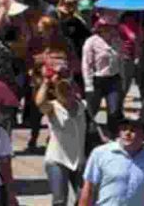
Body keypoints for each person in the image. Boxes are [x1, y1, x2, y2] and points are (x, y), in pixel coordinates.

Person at [79, 117, 144, 206]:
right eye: (124, 129)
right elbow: (88, 188)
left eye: (133, 130)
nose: (127, 133)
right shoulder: (100, 153)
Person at [36, 65, 89, 206]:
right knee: (59, 201)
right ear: (56, 92)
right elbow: (40, 102)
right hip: (57, 161)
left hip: (79, 162)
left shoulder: (82, 106)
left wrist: (67, 76)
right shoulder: (52, 107)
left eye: (69, 89)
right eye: (62, 90)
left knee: (85, 199)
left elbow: (76, 88)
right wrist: (46, 82)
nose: (67, 93)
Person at [82, 18, 124, 136]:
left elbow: (120, 59)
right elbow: (86, 64)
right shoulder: (91, 42)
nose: (108, 29)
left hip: (113, 79)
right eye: (105, 27)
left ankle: (112, 135)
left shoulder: (117, 41)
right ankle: (87, 135)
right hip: (97, 79)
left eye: (110, 27)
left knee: (114, 110)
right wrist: (88, 84)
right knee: (91, 111)